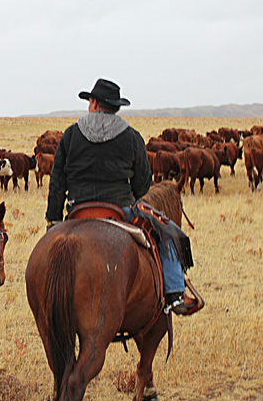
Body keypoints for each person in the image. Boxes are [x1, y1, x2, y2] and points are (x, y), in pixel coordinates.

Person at [45, 78, 199, 315]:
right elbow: (142, 185)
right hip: (118, 210)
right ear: (115, 107)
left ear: (94, 103)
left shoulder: (71, 134)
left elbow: (57, 182)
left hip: (77, 211)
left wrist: (53, 220)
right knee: (167, 233)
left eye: (90, 102)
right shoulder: (131, 136)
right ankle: (175, 293)